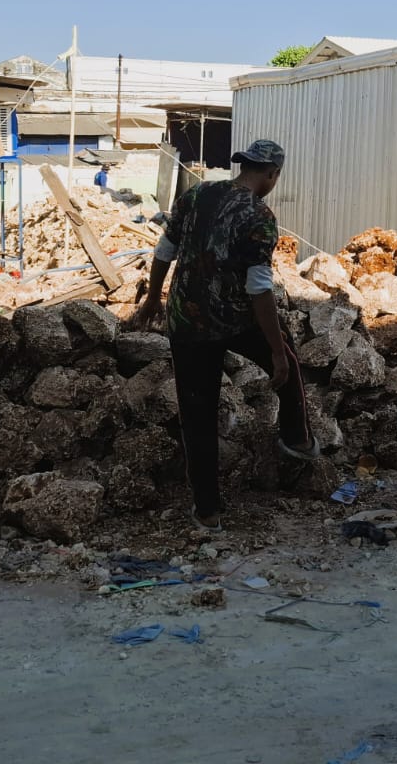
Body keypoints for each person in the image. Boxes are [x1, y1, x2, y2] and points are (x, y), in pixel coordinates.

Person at [132, 139, 316, 532]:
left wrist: (152, 300)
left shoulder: (197, 193)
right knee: (289, 363)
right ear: (272, 175)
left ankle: (207, 511)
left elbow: (165, 249)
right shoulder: (260, 217)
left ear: (242, 166)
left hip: (186, 322)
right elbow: (259, 289)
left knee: (197, 416)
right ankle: (296, 438)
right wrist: (277, 352)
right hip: (235, 319)